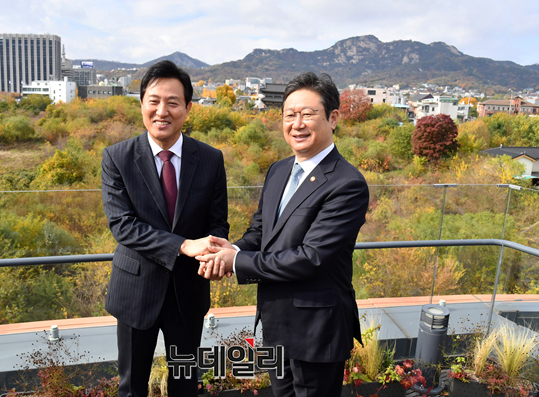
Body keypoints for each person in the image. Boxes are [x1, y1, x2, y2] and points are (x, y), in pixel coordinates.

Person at [197, 72, 369, 397]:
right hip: (276, 323)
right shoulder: (279, 170)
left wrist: (236, 262)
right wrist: (231, 250)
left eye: (307, 114)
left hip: (317, 332)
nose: (297, 124)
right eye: (290, 115)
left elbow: (311, 258)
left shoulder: (347, 184)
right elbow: (261, 231)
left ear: (333, 118)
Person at [101, 60, 229, 397]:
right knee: (132, 387)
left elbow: (218, 221)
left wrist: (215, 254)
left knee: (185, 385)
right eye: (154, 101)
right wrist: (184, 245)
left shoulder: (211, 159)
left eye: (172, 102)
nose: (162, 111)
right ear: (141, 104)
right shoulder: (117, 158)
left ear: (188, 108)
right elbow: (123, 226)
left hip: (188, 293)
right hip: (135, 293)